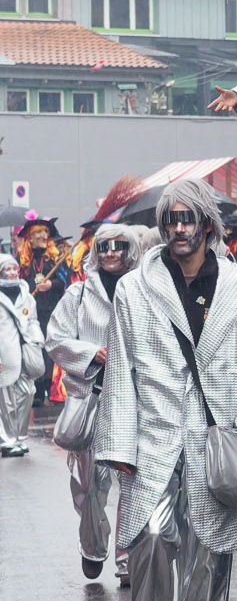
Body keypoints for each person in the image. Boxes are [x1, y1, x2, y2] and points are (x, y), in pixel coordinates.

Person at [97, 180, 237, 601]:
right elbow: (121, 374)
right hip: (154, 434)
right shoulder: (135, 289)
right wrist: (119, 445)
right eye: (170, 220)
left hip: (215, 435)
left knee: (209, 546)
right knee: (152, 536)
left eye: (187, 219)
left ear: (206, 225)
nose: (178, 229)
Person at [45, 224, 156, 581]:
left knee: (134, 483)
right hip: (92, 400)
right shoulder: (77, 295)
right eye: (104, 246)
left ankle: (127, 559)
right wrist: (93, 353)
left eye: (118, 245)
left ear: (130, 249)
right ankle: (93, 545)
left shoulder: (146, 291)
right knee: (89, 483)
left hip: (134, 402)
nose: (110, 252)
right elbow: (55, 339)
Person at [15, 215, 72, 406]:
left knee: (51, 348)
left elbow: (65, 281)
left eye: (45, 232)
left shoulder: (55, 258)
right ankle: (37, 391)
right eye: (37, 232)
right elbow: (18, 284)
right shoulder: (23, 261)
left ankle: (52, 388)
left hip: (52, 311)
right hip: (32, 314)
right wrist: (31, 285)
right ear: (29, 238)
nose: (42, 235)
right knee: (34, 348)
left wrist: (50, 284)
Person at [0, 251, 43, 459]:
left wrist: (36, 340)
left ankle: (19, 436)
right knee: (6, 400)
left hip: (26, 351)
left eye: (13, 268)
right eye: (6, 269)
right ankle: (8, 440)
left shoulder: (26, 293)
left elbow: (33, 319)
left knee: (28, 392)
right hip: (5, 353)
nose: (11, 273)